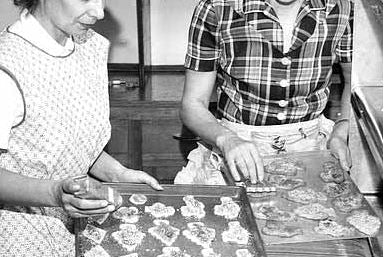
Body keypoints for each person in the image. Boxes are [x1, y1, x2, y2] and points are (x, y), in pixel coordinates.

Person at [0, 0, 162, 256]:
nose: (99, 12)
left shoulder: (86, 44)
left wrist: (116, 174)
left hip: (77, 223)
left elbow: (69, 138)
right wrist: (55, 194)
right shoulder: (6, 67)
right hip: (23, 233)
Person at [174, 0, 353, 185]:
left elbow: (355, 82)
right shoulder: (217, 8)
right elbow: (193, 104)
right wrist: (227, 139)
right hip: (236, 149)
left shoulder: (340, 8)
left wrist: (341, 131)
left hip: (312, 149)